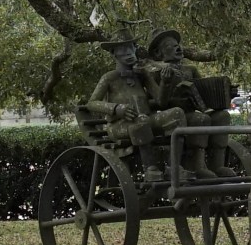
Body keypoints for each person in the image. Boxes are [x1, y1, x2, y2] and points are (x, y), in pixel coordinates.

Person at [85, 28, 189, 181]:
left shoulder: (142, 75)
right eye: (122, 49)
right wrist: (117, 109)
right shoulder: (109, 77)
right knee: (141, 122)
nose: (128, 53)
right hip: (120, 125)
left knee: (176, 113)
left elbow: (161, 102)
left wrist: (165, 82)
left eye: (130, 48)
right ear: (114, 53)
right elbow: (92, 103)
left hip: (145, 119)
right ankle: (150, 168)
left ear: (135, 49)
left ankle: (173, 167)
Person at [145, 27, 235, 178]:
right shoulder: (154, 72)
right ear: (158, 53)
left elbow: (204, 92)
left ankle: (218, 165)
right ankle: (197, 166)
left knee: (222, 116)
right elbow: (150, 102)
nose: (177, 47)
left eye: (177, 44)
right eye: (169, 45)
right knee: (200, 119)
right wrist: (173, 100)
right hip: (170, 117)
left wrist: (227, 94)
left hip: (190, 112)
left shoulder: (190, 70)